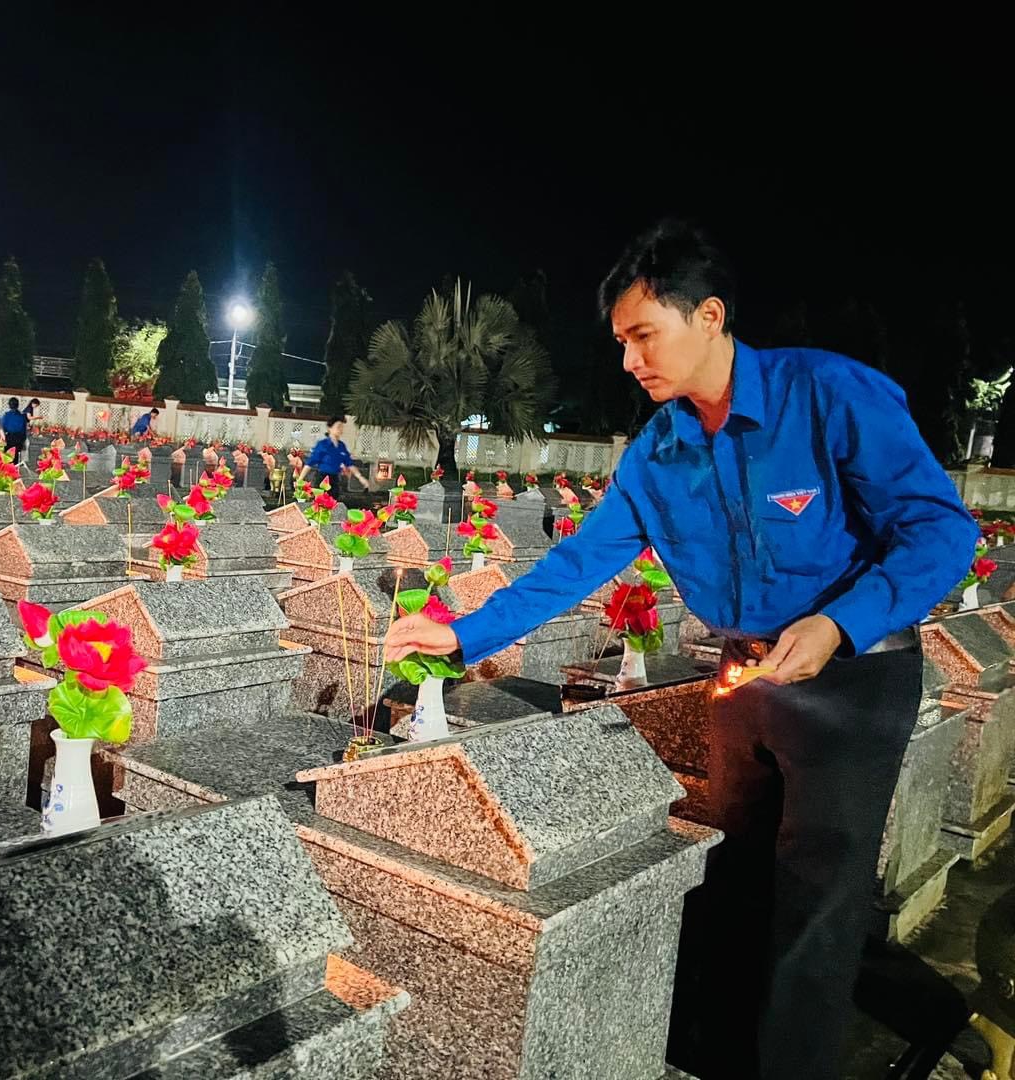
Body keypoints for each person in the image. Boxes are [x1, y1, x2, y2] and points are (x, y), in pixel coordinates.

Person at [383, 219, 976, 1080]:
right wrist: (463, 634)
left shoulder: (829, 396)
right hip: (746, 676)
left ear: (709, 316)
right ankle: (869, 1023)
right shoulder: (658, 454)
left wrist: (839, 623)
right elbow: (582, 559)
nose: (628, 360)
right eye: (621, 342)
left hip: (852, 678)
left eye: (642, 335)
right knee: (741, 886)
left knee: (816, 901)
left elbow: (940, 533)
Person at [298, 416, 371, 493]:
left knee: (334, 502)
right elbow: (310, 463)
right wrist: (300, 480)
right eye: (338, 427)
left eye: (342, 427)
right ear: (330, 428)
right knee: (321, 503)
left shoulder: (341, 446)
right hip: (322, 479)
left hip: (335, 479)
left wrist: (361, 478)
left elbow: (349, 463)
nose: (341, 429)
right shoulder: (323, 445)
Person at [1, 397, 28, 463]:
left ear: (9, 405)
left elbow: (3, 428)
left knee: (7, 457)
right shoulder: (22, 416)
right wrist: (23, 441)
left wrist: (2, 439)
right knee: (16, 458)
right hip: (19, 438)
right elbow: (24, 431)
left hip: (9, 437)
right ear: (18, 405)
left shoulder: (6, 416)